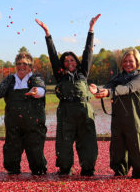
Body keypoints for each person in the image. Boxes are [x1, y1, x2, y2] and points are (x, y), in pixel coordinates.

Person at [35, 14, 100, 176]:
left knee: (88, 144)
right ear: (63, 63)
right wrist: (47, 33)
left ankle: (88, 168)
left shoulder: (83, 72)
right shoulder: (60, 75)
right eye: (66, 61)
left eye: (72, 60)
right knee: (64, 145)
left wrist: (91, 30)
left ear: (76, 62)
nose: (69, 63)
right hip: (65, 112)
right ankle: (65, 168)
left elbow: (88, 52)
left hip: (84, 111)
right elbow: (52, 55)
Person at [0, 51, 48, 175]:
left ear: (30, 66)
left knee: (37, 159)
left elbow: (41, 90)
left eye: (25, 63)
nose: (21, 66)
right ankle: (12, 175)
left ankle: (39, 173)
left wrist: (35, 91)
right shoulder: (11, 79)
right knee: (11, 159)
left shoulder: (35, 78)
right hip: (13, 125)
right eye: (18, 63)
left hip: (33, 126)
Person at [89, 48, 140, 179]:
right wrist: (97, 90)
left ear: (137, 62)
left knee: (138, 152)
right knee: (118, 151)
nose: (127, 64)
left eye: (131, 61)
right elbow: (107, 87)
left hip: (138, 122)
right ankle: (119, 174)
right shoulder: (118, 77)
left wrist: (109, 92)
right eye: (125, 61)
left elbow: (128, 88)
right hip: (119, 121)